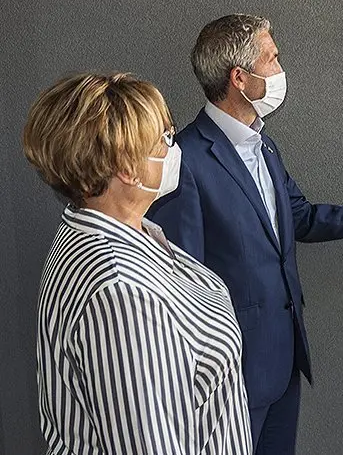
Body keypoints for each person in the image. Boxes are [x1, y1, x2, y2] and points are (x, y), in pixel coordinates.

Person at [147, 14, 343, 454]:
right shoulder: (186, 160)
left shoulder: (264, 145)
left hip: (284, 360)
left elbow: (301, 219)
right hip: (230, 376)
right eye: (272, 58)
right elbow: (183, 282)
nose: (280, 70)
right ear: (240, 79)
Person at [23, 73, 252, 454]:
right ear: (127, 168)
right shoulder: (121, 293)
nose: (173, 148)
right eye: (163, 140)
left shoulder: (116, 234)